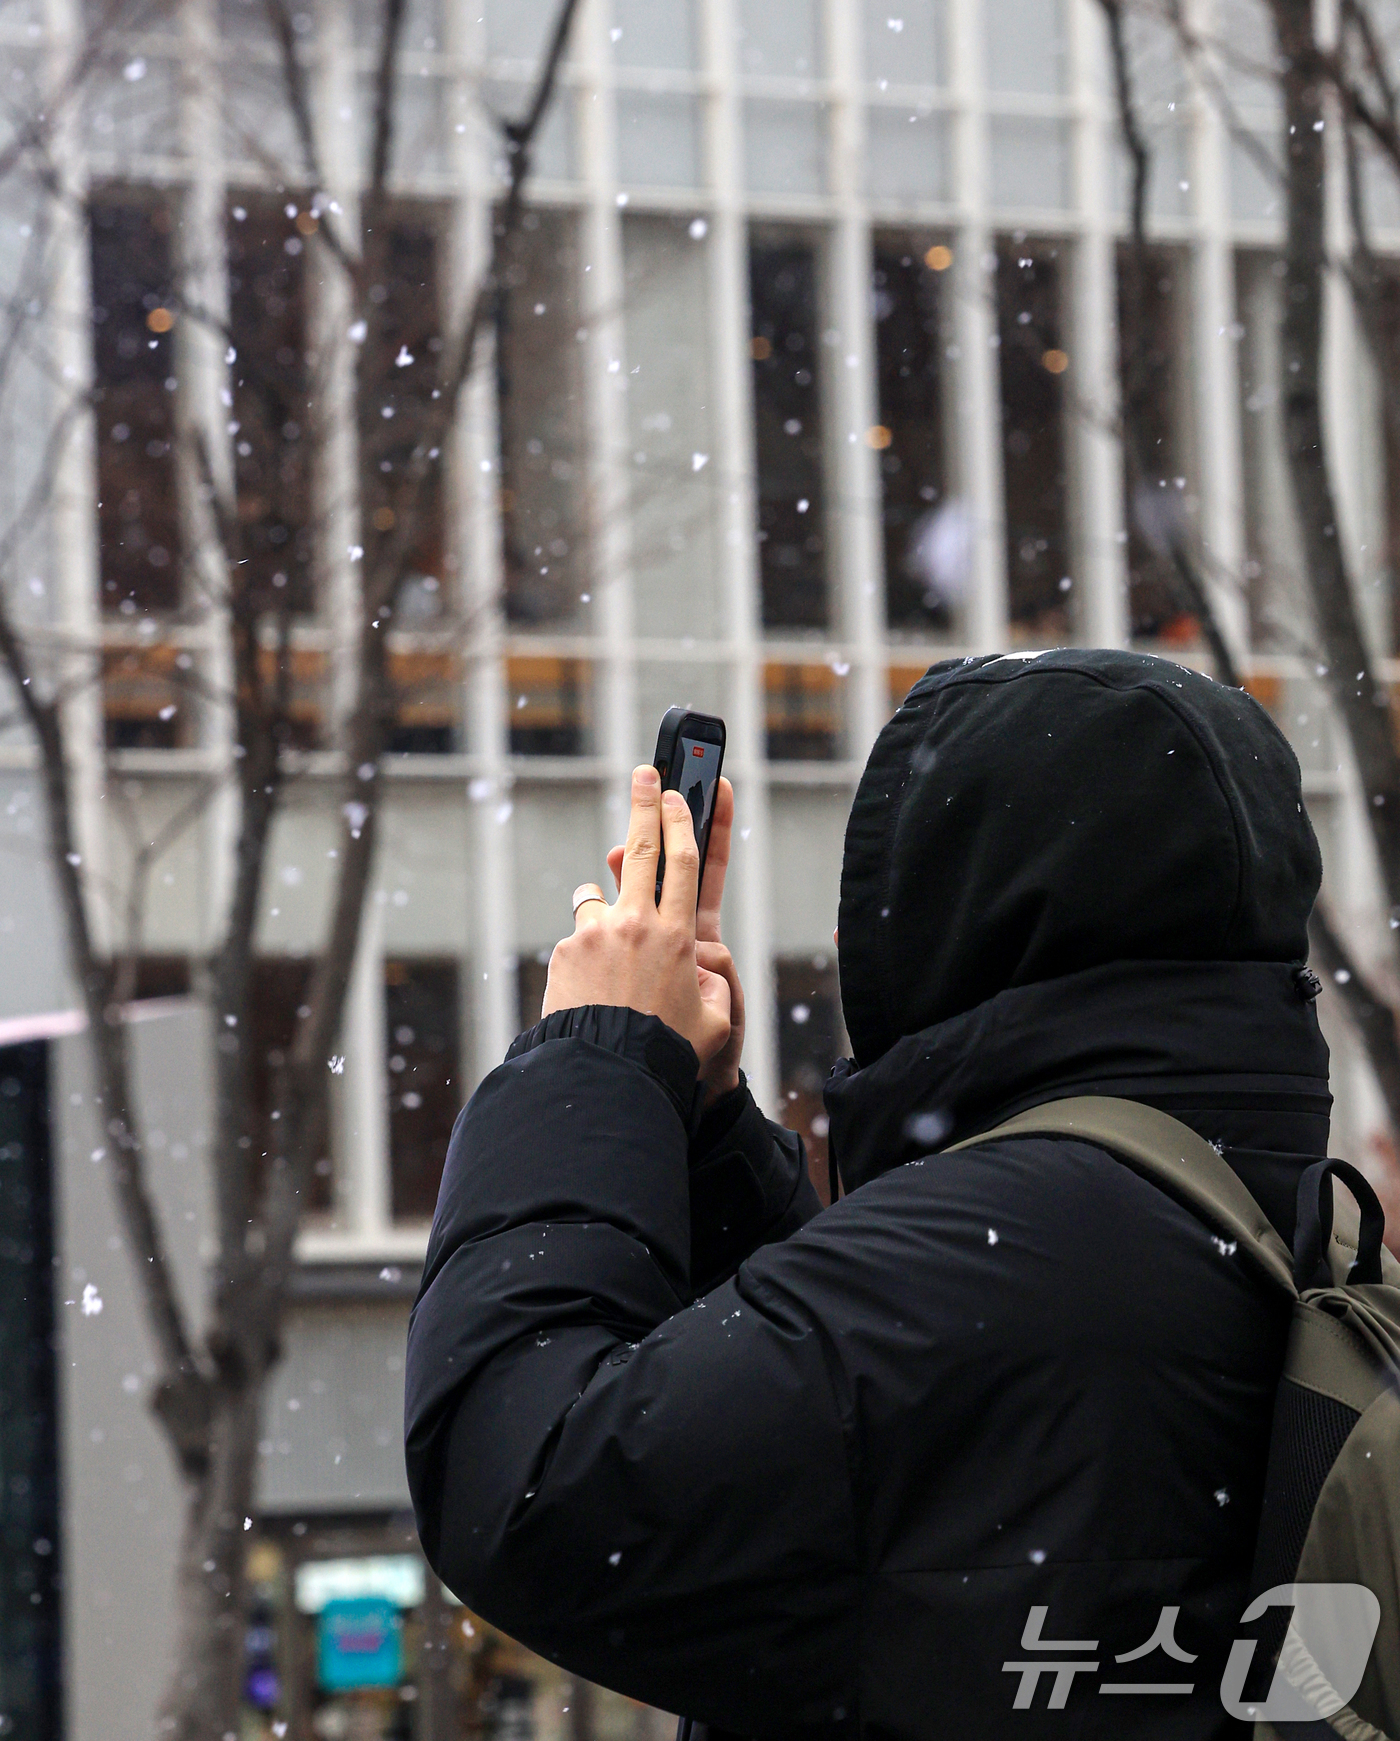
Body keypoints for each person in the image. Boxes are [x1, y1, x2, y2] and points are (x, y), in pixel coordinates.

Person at [405, 649, 1329, 1739]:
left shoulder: (1010, 1255)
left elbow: (529, 1482)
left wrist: (592, 1055)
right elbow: (897, 1442)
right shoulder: (1241, 1209)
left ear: (962, 916)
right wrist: (701, 1133)